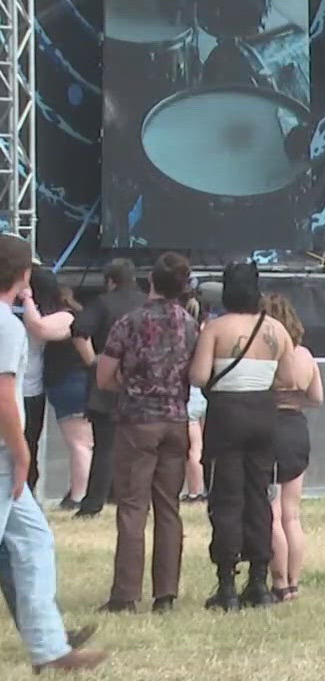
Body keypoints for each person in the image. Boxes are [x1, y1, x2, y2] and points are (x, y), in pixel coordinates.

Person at [0, 236, 105, 670]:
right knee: (30, 544)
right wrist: (22, 451)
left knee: (34, 542)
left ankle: (49, 647)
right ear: (24, 274)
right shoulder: (6, 325)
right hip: (3, 454)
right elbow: (4, 395)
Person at [189, 261, 297, 610]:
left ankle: (226, 585)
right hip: (265, 414)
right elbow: (289, 379)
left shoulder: (216, 328)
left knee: (226, 498)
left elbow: (199, 376)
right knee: (260, 496)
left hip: (227, 415)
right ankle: (259, 582)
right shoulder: (276, 330)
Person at [93, 253, 195, 614]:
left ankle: (125, 594)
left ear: (150, 281)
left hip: (137, 421)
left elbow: (104, 375)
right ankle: (165, 594)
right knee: (169, 509)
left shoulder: (129, 322)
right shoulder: (188, 323)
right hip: (176, 420)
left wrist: (132, 385)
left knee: (133, 509)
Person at [73, 260, 143, 519]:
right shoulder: (147, 303)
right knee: (139, 447)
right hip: (143, 381)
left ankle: (93, 503)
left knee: (105, 446)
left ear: (110, 281)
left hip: (108, 379)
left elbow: (79, 332)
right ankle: (130, 498)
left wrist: (93, 361)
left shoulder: (103, 303)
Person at [263, 294, 319, 603]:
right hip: (297, 429)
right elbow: (317, 397)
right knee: (292, 515)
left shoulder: (268, 355)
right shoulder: (306, 355)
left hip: (270, 428)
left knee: (272, 515)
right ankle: (295, 582)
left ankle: (279, 581)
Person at [32, 270, 89, 509]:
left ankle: (78, 495)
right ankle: (78, 492)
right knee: (80, 442)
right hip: (68, 381)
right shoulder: (72, 312)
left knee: (79, 442)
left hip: (70, 381)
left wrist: (25, 303)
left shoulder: (66, 316)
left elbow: (40, 329)